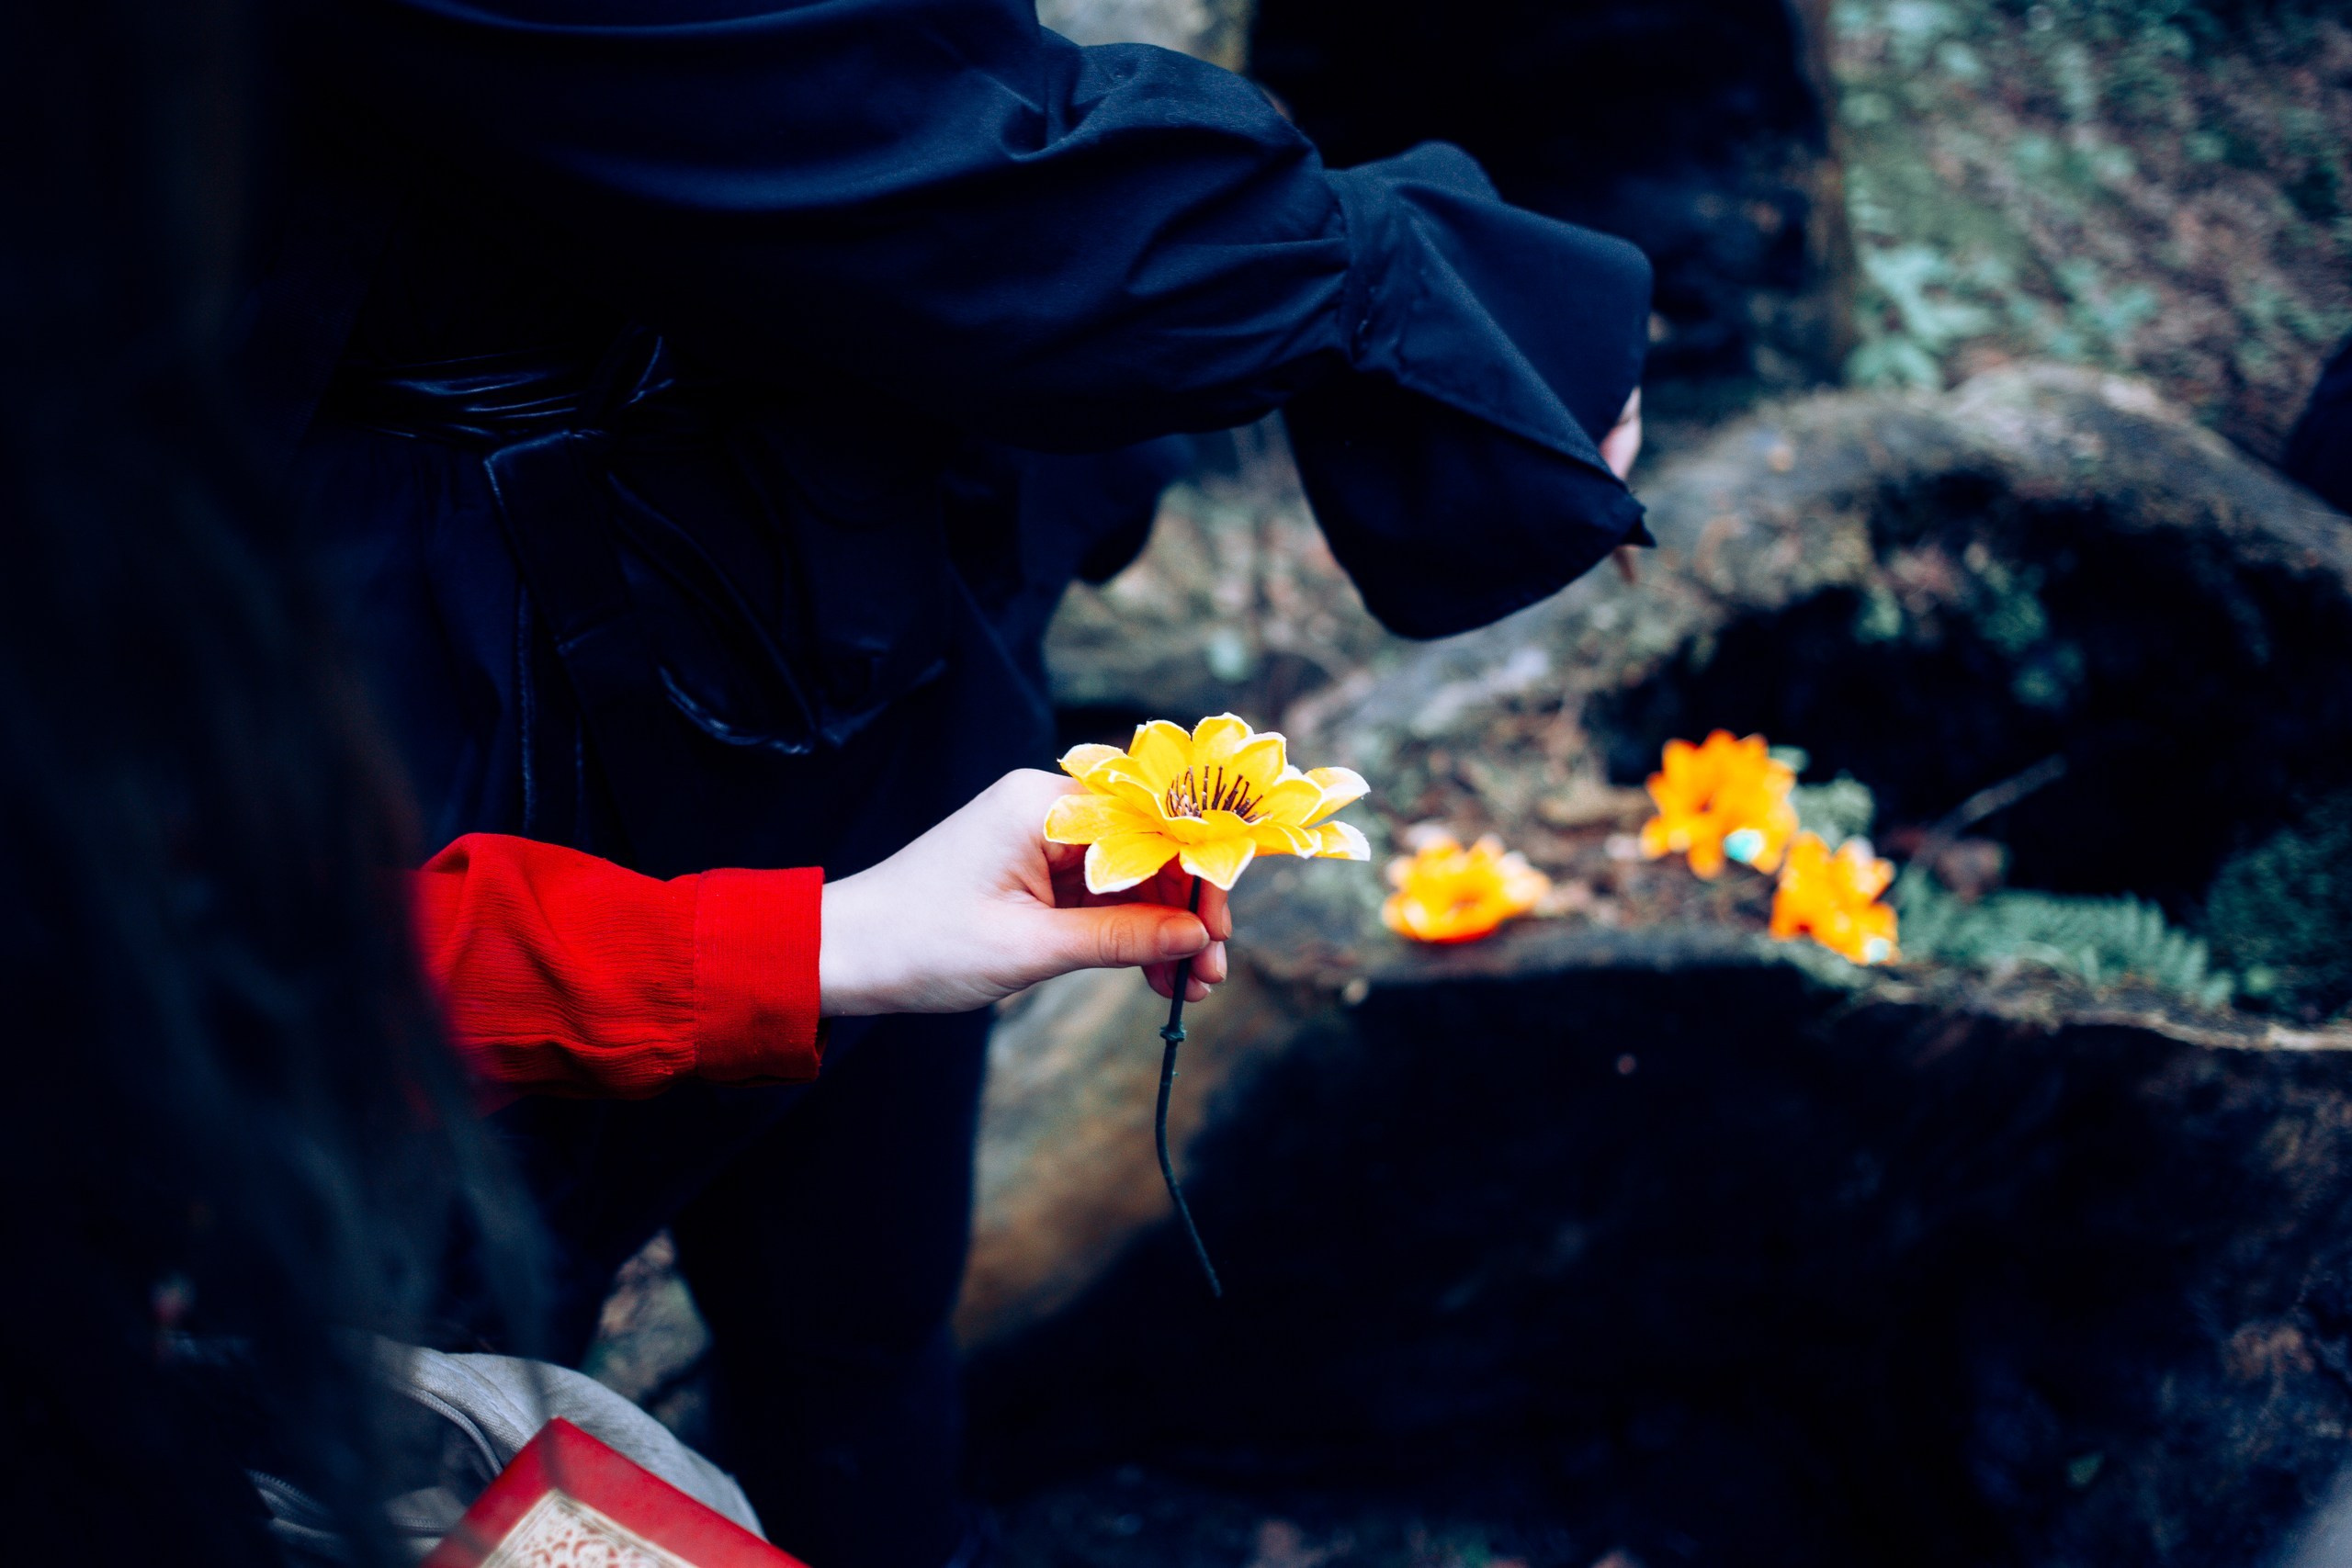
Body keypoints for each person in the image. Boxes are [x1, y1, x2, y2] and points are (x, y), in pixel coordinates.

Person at [247, 4, 1657, 1564]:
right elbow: (868, 120)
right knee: (484, 1395)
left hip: (855, 600)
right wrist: (1398, 285)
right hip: (446, 724)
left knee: (862, 1308)